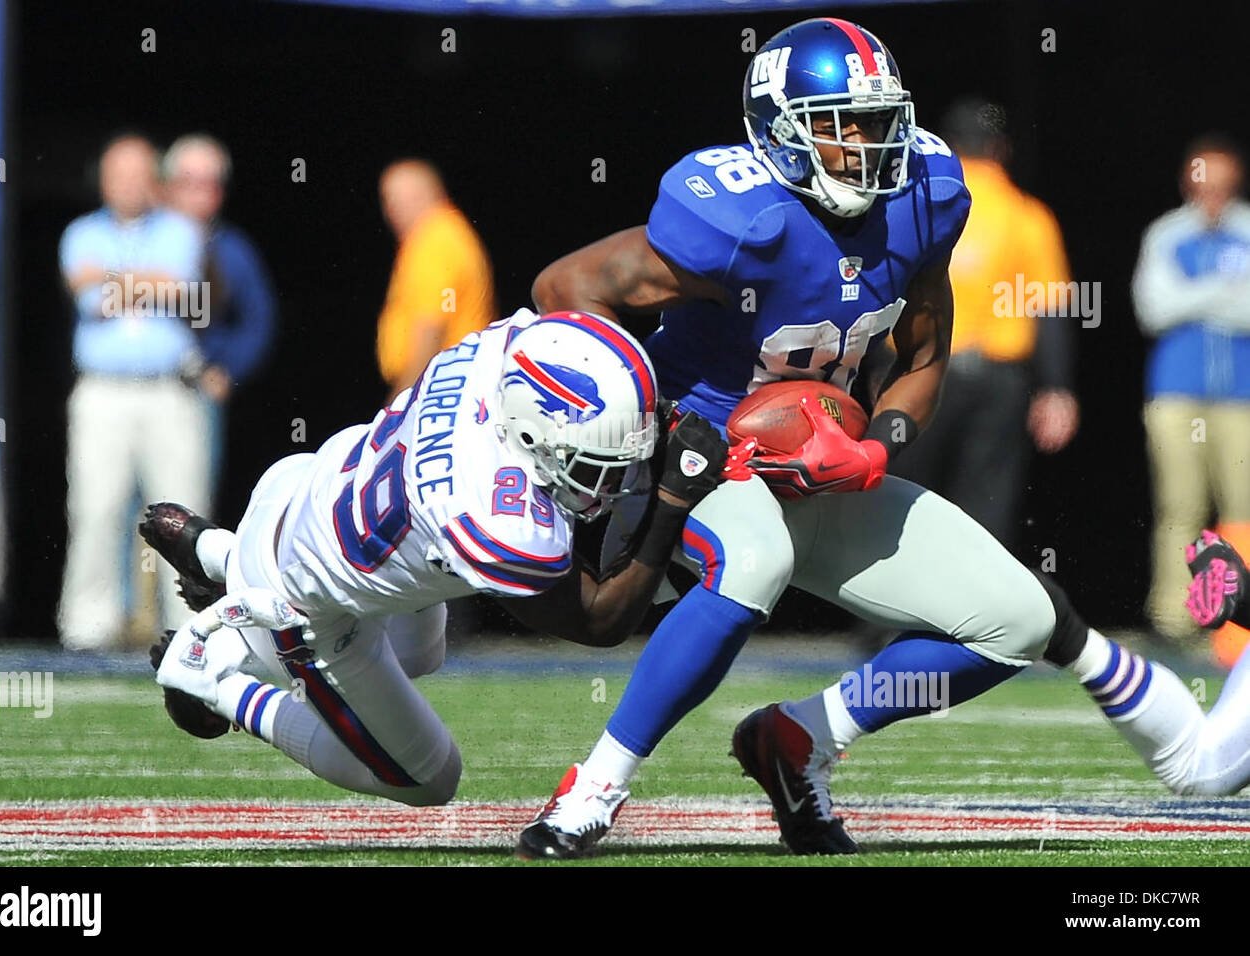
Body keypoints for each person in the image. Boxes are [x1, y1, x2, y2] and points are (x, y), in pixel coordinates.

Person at [516, 17, 1250, 860]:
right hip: (705, 458)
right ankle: (597, 785)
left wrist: (876, 441)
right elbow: (561, 289)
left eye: (879, 118)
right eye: (843, 123)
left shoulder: (923, 199)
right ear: (782, 130)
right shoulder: (741, 217)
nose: (871, 143)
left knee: (1019, 619)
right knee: (754, 562)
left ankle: (800, 739)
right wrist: (657, 433)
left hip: (815, 470)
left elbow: (924, 358)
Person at [141, 309, 735, 804]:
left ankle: (218, 553)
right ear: (530, 437)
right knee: (429, 778)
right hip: (298, 603)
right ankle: (215, 677)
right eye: (590, 465)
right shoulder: (497, 521)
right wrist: (670, 501)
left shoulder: (501, 348)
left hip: (305, 485)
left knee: (422, 654)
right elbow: (601, 620)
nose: (610, 480)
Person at [890, 98, 1078, 552]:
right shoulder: (1028, 216)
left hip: (921, 372)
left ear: (948, 147)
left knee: (904, 495)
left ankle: (886, 618)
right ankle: (975, 617)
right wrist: (1056, 389)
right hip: (999, 380)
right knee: (987, 498)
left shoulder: (916, 209)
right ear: (1001, 149)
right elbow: (1049, 308)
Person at [57, 133, 209, 651]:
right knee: (96, 508)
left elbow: (181, 285)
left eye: (139, 174)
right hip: (103, 392)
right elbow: (86, 293)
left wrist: (115, 278)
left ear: (155, 181)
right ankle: (87, 629)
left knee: (183, 513)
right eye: (118, 175)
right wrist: (145, 281)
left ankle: (194, 626)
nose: (128, 185)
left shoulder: (182, 230)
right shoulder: (80, 232)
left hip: (168, 391)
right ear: (102, 181)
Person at [1133, 135, 1250, 654]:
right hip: (1176, 392)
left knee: (1242, 509)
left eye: (1223, 185)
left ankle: (1236, 622)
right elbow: (1154, 309)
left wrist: (1192, 296)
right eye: (1205, 183)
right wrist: (1221, 293)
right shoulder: (1166, 232)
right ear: (1189, 182)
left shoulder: (1247, 231)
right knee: (1179, 506)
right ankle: (1173, 621)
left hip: (1240, 395)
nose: (1213, 195)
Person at [163, 133, 278, 493]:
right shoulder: (141, 241)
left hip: (192, 391)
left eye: (211, 183)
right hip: (131, 385)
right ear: (166, 186)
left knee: (182, 506)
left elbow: (259, 319)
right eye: (189, 183)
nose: (201, 193)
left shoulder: (231, 249)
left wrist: (228, 369)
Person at [376, 160, 496, 404]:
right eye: (389, 199)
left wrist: (399, 405)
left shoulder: (435, 242)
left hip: (440, 389)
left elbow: (431, 325)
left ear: (434, 193)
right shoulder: (443, 235)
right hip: (451, 383)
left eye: (409, 197)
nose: (394, 208)